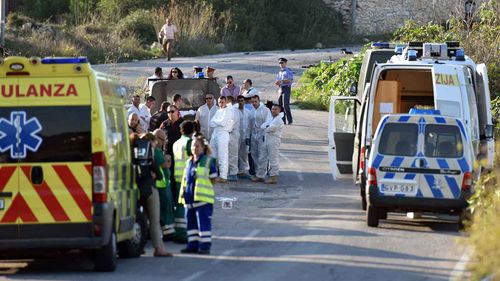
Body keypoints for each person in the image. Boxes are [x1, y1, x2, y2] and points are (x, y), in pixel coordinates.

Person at [131, 133, 172, 257]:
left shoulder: (132, 151)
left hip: (136, 190)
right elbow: (158, 174)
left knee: (140, 220)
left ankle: (139, 246)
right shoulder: (149, 152)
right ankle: (159, 248)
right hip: (150, 188)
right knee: (154, 220)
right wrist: (155, 175)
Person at [179, 135, 217, 255]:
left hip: (203, 199)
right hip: (189, 199)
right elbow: (185, 180)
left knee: (203, 224)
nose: (194, 148)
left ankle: (205, 246)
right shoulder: (189, 162)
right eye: (193, 145)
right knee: (191, 224)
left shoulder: (208, 161)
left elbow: (213, 179)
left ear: (203, 148)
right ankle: (192, 245)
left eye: (197, 146)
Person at [171, 121, 195, 244]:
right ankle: (182, 233)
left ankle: (177, 230)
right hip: (187, 177)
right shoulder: (189, 143)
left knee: (178, 204)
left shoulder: (176, 143)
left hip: (177, 176)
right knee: (184, 205)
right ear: (192, 131)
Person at [152, 129, 176, 237]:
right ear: (156, 138)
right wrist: (168, 160)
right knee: (165, 210)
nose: (163, 142)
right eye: (162, 140)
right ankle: (167, 232)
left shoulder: (157, 150)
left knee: (167, 209)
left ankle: (168, 230)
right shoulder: (156, 151)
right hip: (161, 185)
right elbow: (164, 164)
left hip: (164, 184)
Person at [209, 96, 233, 183]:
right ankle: (214, 174)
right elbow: (210, 123)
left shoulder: (229, 111)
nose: (221, 104)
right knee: (212, 154)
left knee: (223, 155)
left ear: (226, 102)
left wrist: (216, 122)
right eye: (219, 102)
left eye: (222, 102)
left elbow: (222, 123)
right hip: (215, 133)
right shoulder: (218, 111)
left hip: (223, 133)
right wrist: (217, 122)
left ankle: (223, 176)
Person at [259, 104, 284, 184]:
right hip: (266, 139)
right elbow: (262, 126)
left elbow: (271, 128)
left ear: (279, 111)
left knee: (273, 159)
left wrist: (266, 127)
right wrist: (266, 127)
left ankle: (273, 177)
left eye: (275, 109)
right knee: (262, 158)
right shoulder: (271, 118)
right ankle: (260, 176)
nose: (273, 111)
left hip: (274, 140)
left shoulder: (279, 120)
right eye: (272, 109)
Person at [250, 95, 272, 182]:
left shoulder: (265, 110)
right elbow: (250, 124)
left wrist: (264, 133)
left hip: (262, 135)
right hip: (254, 134)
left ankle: (261, 175)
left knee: (262, 155)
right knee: (254, 154)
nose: (254, 103)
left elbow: (268, 122)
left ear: (259, 101)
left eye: (255, 101)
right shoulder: (252, 110)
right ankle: (257, 172)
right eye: (252, 102)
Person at [236, 95, 253, 177]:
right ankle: (234, 170)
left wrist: (248, 137)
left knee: (243, 154)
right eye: (239, 101)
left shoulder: (248, 112)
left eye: (242, 100)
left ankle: (242, 171)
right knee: (235, 154)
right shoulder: (234, 111)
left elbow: (249, 126)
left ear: (244, 102)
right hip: (236, 136)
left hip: (245, 136)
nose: (240, 102)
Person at [275, 57, 294, 125]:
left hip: (287, 88)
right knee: (280, 105)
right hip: (280, 88)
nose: (281, 64)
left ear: (285, 63)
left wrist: (282, 81)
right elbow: (277, 81)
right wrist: (277, 82)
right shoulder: (279, 72)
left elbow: (290, 80)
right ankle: (282, 120)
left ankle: (290, 119)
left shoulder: (288, 71)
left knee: (286, 104)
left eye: (282, 63)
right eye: (280, 63)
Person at [226, 96, 241, 181]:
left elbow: (231, 124)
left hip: (233, 135)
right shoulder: (229, 110)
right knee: (228, 154)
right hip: (229, 135)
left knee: (233, 155)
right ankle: (229, 172)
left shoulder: (234, 111)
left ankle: (233, 173)